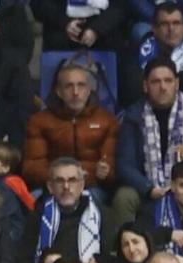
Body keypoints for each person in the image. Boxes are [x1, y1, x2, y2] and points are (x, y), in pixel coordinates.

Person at [113, 57, 183, 228]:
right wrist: (148, 188)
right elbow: (125, 164)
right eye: (156, 82)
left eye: (168, 81)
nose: (162, 87)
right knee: (124, 197)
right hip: (148, 189)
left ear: (176, 84)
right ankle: (124, 250)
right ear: (145, 86)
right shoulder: (133, 116)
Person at [23, 63, 120, 193]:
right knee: (33, 201)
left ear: (89, 89)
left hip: (92, 187)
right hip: (52, 187)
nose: (75, 92)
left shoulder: (107, 120)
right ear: (59, 91)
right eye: (69, 86)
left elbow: (112, 165)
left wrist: (106, 172)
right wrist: (63, 178)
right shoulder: (39, 121)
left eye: (81, 85)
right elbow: (32, 167)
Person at [18, 158, 108, 263]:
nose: (66, 186)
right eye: (60, 181)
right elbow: (25, 261)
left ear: (82, 184)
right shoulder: (37, 216)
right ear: (50, 186)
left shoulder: (101, 215)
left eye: (72, 180)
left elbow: (107, 259)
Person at [121, 2, 183, 124]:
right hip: (148, 116)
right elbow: (131, 88)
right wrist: (181, 80)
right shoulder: (141, 49)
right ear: (154, 28)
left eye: (176, 23)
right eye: (165, 24)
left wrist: (159, 81)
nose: (171, 29)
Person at [31, 0, 126, 52]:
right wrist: (65, 23)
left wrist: (96, 30)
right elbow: (38, 4)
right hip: (60, 30)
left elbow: (120, 7)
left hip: (103, 32)